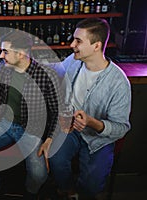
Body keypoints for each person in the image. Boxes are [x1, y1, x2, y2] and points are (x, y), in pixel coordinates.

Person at [0, 30, 60, 200]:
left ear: (21, 54)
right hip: (3, 124)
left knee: (39, 175)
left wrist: (50, 138)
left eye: (5, 51)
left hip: (32, 130)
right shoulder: (4, 69)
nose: (1, 55)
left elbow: (56, 111)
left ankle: (30, 193)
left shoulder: (47, 75)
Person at [48, 18, 131, 199]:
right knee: (55, 157)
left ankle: (82, 193)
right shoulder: (74, 61)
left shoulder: (119, 82)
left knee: (92, 185)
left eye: (78, 41)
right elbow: (55, 69)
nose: (72, 45)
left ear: (96, 46)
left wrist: (92, 122)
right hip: (70, 129)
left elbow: (121, 128)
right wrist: (25, 60)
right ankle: (69, 191)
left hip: (98, 138)